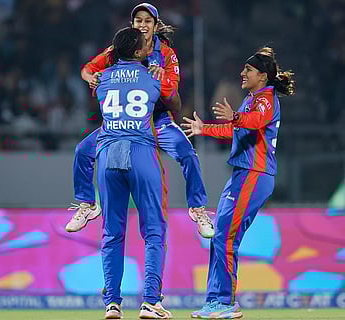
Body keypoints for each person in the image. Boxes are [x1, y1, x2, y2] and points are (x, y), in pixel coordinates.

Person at [66, 2, 214, 240]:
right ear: (132, 24)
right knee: (83, 151)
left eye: (147, 21)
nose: (142, 25)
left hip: (157, 120)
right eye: (138, 21)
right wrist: (91, 78)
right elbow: (87, 69)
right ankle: (86, 205)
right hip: (124, 124)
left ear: (155, 26)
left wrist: (162, 78)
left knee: (187, 153)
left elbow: (174, 98)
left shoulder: (166, 54)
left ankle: (198, 209)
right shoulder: (120, 48)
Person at [182, 46, 295, 319]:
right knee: (219, 236)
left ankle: (226, 302)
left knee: (226, 237)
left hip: (254, 174)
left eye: (248, 70)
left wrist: (234, 117)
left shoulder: (265, 99)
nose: (242, 73)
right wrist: (203, 129)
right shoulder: (251, 98)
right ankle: (214, 300)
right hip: (242, 174)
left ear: (263, 76)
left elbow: (255, 122)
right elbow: (236, 129)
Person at [96, 26, 177, 320]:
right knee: (154, 230)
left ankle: (112, 304)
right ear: (138, 51)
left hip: (108, 153)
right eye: (143, 44)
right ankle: (150, 302)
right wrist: (159, 75)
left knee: (112, 233)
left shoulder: (102, 79)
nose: (148, 45)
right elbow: (172, 103)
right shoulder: (152, 77)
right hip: (141, 151)